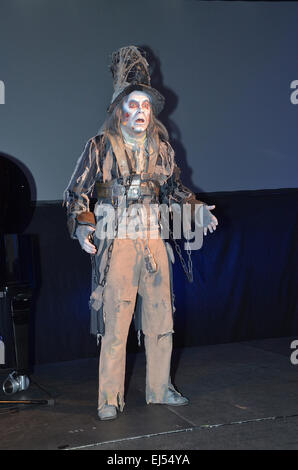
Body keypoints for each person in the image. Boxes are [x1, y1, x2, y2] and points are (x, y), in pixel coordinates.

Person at [64, 46, 218, 420]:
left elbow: (173, 189)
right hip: (117, 243)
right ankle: (109, 398)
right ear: (120, 109)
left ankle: (159, 387)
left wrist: (195, 210)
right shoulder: (99, 147)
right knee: (116, 321)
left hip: (153, 241)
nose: (139, 112)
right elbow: (76, 193)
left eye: (145, 106)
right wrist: (84, 224)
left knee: (161, 318)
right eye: (132, 105)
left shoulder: (162, 150)